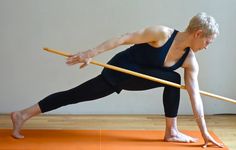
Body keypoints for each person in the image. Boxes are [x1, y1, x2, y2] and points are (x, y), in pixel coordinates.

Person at [11, 12, 223, 148]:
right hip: (120, 70)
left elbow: (195, 96)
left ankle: (172, 132)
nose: (207, 46)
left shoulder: (190, 61)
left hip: (137, 79)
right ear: (198, 33)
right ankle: (22, 115)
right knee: (74, 96)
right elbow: (123, 38)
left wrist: (204, 132)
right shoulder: (162, 34)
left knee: (174, 80)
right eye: (208, 41)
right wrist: (90, 52)